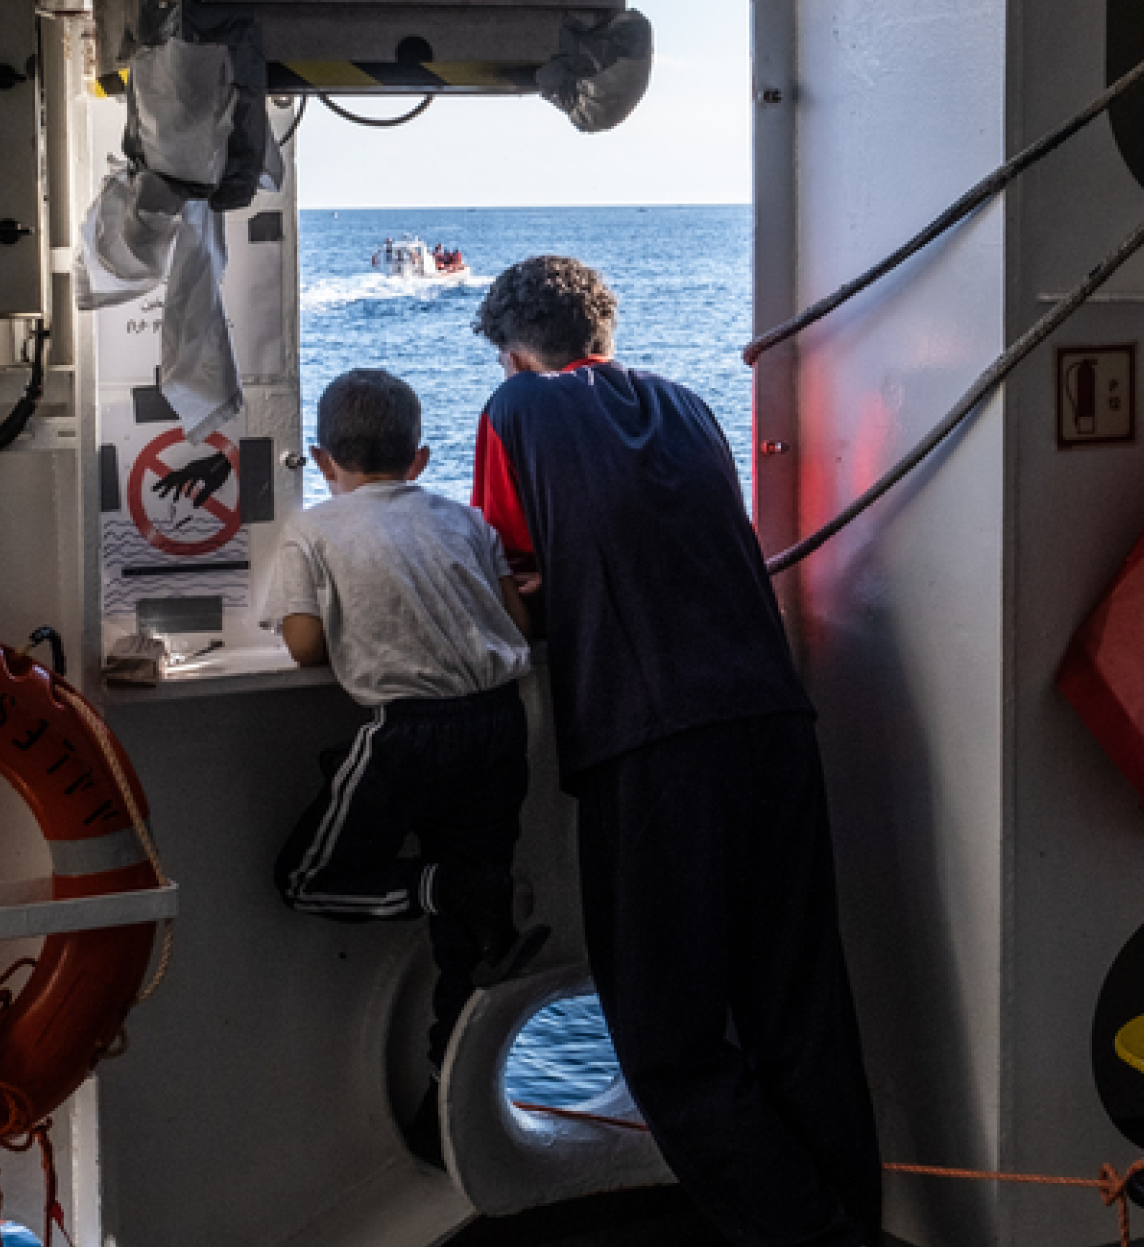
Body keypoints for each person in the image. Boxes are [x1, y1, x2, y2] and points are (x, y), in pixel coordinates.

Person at [468, 256, 883, 1247]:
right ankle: (853, 1221)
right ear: (603, 336)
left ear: (517, 354)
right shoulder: (691, 406)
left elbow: (502, 566)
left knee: (668, 1044)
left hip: (652, 740)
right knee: (800, 1017)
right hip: (773, 721)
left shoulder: (517, 408)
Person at [262, 368, 549, 1164]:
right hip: (502, 724)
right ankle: (444, 1120)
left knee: (305, 880)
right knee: (470, 942)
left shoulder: (313, 531)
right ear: (420, 458)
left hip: (412, 732)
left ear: (322, 461)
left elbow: (306, 646)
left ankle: (444, 885)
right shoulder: (463, 520)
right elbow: (518, 622)